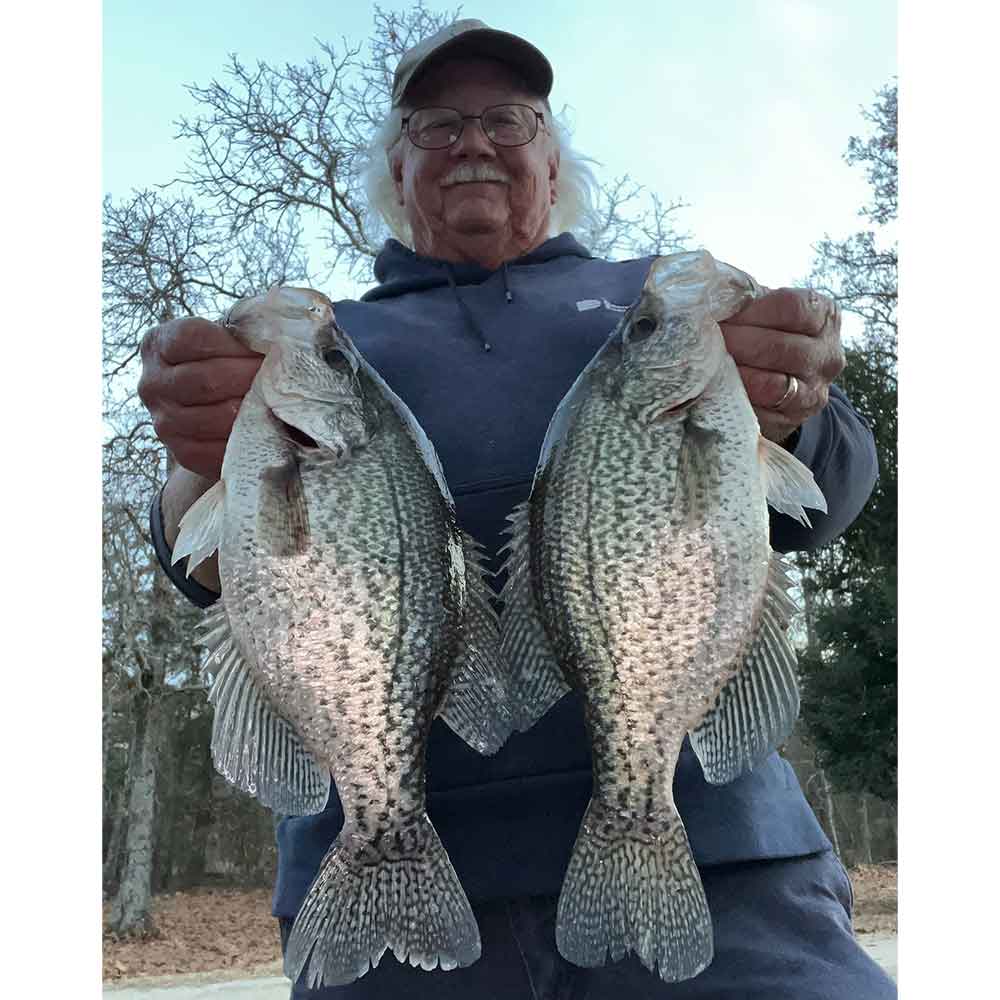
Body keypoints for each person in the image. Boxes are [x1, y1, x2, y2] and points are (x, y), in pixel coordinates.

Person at [138, 19, 895, 1000]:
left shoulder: (649, 308)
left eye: (507, 118)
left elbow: (823, 500)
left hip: (723, 869)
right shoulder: (326, 343)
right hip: (373, 873)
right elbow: (202, 564)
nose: (473, 142)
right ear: (395, 171)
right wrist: (199, 458)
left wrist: (792, 408)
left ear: (551, 156)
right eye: (435, 125)